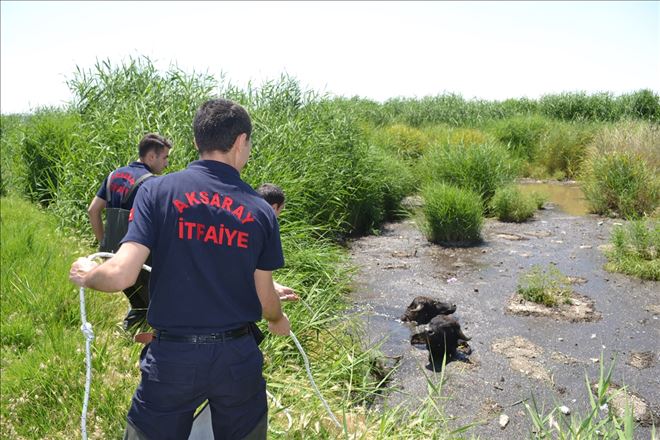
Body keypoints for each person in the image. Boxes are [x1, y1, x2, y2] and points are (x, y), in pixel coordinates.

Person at [70, 98, 290, 440]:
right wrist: (278, 320)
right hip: (237, 359)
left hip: (173, 358)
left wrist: (87, 273)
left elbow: (121, 273)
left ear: (197, 141)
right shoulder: (260, 211)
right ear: (240, 142)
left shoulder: (157, 192)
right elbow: (264, 299)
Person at [87, 133, 172, 331]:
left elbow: (93, 210)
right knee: (157, 303)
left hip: (113, 253)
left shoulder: (113, 175)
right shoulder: (151, 184)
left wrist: (104, 244)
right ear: (151, 157)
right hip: (138, 257)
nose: (167, 164)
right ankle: (155, 340)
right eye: (165, 157)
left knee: (138, 300)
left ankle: (131, 331)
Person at [256, 183, 297, 301]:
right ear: (274, 208)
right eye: (281, 209)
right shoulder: (267, 228)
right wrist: (272, 299)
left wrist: (274, 286)